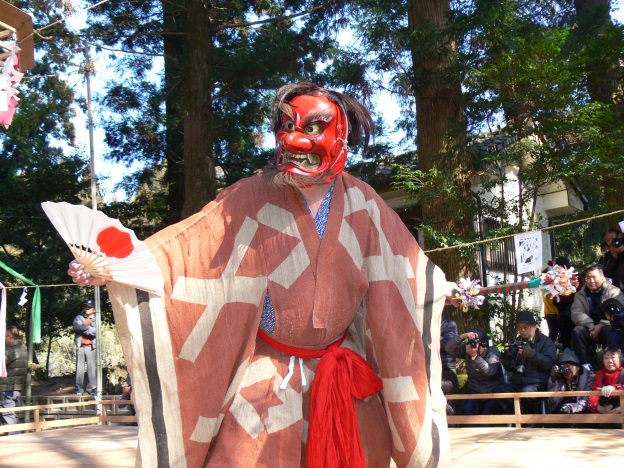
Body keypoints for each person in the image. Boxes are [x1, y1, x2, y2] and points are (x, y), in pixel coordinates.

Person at [68, 82, 459, 467]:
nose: (296, 140)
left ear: (342, 134)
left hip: (341, 372)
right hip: (267, 373)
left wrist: (438, 289)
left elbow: (404, 267)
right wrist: (113, 266)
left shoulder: (364, 202)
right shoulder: (248, 197)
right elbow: (185, 251)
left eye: (311, 128)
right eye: (288, 127)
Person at [498, 310, 557, 415]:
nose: (522, 330)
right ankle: (514, 418)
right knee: (500, 391)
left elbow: (548, 364)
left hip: (538, 382)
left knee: (526, 393)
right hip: (518, 381)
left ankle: (532, 423)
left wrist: (532, 354)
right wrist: (507, 356)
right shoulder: (517, 341)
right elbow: (510, 368)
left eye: (525, 327)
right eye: (519, 327)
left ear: (534, 326)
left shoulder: (546, 342)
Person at [571, 265, 624, 366]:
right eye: (588, 278)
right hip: (589, 328)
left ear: (602, 276)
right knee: (577, 331)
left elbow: (619, 313)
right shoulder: (580, 294)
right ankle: (586, 367)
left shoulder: (614, 291)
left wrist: (601, 324)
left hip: (607, 326)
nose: (591, 281)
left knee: (609, 331)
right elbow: (576, 313)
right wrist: (591, 325)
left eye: (594, 277)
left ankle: (609, 365)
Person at [445, 328, 505, 416]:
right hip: (474, 392)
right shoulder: (469, 349)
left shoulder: (493, 351)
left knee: (487, 414)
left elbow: (489, 371)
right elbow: (449, 349)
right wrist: (463, 336)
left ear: (484, 344)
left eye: (477, 344)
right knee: (467, 410)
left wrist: (475, 356)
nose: (474, 347)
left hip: (492, 393)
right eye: (472, 343)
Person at [547, 348, 594, 415]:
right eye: (564, 366)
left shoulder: (587, 378)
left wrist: (570, 407)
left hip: (581, 411)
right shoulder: (559, 378)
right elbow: (553, 401)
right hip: (562, 411)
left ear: (578, 367)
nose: (567, 369)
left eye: (570, 365)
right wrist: (553, 380)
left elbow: (585, 402)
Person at [0, 325, 28, 430]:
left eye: (5, 336)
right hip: (18, 388)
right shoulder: (24, 349)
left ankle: (12, 439)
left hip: (7, 387)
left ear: (10, 337)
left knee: (7, 415)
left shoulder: (10, 351)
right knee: (13, 414)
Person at [588, 345, 624, 415]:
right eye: (606, 358)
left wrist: (614, 388)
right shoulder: (600, 374)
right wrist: (598, 407)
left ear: (620, 359)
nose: (610, 361)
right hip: (606, 408)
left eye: (613, 357)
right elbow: (594, 393)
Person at [73, 299, 97, 397]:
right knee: (79, 369)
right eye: (86, 306)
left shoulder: (97, 318)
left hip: (91, 346)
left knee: (92, 369)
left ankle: (91, 389)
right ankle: (79, 389)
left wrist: (83, 327)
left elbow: (95, 332)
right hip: (80, 346)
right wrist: (88, 327)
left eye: (89, 307)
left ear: (94, 309)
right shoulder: (79, 317)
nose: (87, 309)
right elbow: (76, 327)